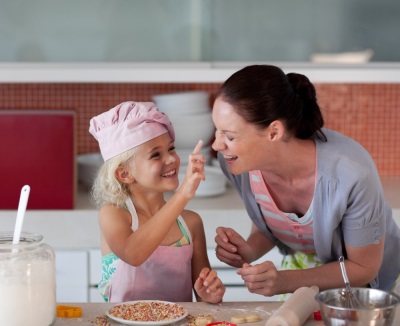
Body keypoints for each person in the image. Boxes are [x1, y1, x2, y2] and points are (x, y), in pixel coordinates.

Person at [212, 64, 400, 298]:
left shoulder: (351, 175)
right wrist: (248, 251)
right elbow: (272, 225)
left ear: (274, 132)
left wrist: (283, 281)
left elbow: (364, 267)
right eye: (217, 131)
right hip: (300, 273)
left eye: (229, 136)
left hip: (368, 283)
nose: (217, 145)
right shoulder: (237, 164)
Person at [89, 101, 225, 303]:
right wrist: (183, 194)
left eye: (171, 149)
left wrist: (210, 294)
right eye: (155, 155)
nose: (171, 159)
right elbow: (133, 254)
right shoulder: (113, 214)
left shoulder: (191, 224)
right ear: (124, 173)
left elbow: (205, 298)